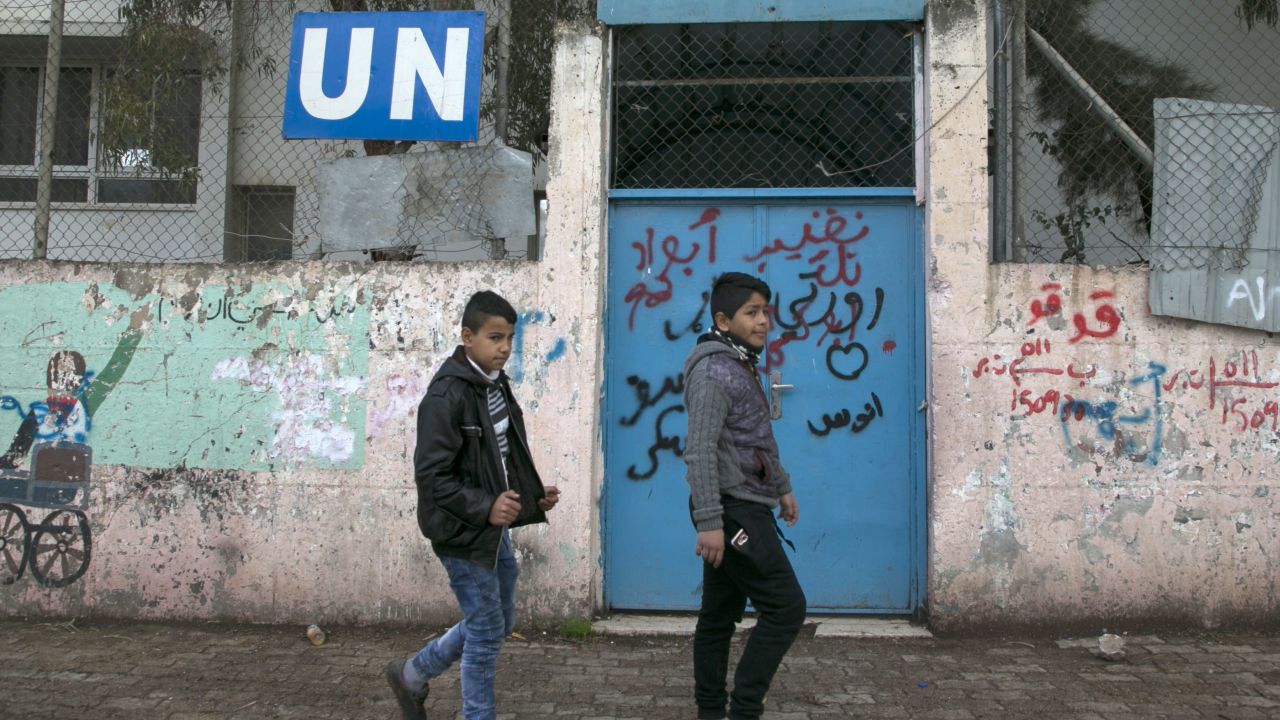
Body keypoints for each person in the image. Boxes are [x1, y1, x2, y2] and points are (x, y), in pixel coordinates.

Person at [386, 290, 560, 720]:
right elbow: (432, 478)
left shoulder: (494, 385)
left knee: (499, 621)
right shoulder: (447, 397)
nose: (504, 348)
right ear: (467, 337)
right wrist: (484, 507)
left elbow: (500, 456)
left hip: (489, 528)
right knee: (485, 628)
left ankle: (412, 675)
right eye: (494, 338)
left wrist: (532, 496)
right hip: (460, 530)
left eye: (509, 339)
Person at [682, 272, 807, 720]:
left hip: (746, 502)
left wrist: (782, 487)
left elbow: (755, 437)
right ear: (723, 318)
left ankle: (712, 713)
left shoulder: (740, 363)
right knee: (787, 607)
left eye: (765, 312)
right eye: (751, 313)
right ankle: (744, 710)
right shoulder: (714, 371)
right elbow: (699, 450)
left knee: (718, 617)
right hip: (731, 510)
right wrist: (711, 523)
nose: (763, 322)